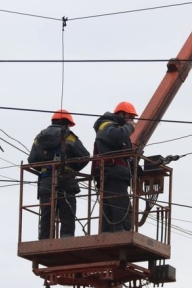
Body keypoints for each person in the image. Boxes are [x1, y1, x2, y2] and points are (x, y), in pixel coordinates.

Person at [28, 109, 90, 239]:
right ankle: (67, 238)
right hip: (66, 180)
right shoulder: (69, 136)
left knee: (46, 213)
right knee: (67, 213)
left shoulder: (39, 138)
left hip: (46, 181)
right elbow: (85, 156)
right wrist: (73, 168)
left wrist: (46, 168)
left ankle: (44, 240)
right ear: (66, 123)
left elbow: (32, 160)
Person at [92, 101, 138, 233]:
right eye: (130, 117)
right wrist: (130, 127)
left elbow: (125, 152)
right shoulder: (106, 125)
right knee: (120, 205)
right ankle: (120, 232)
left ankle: (110, 232)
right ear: (121, 114)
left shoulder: (118, 128)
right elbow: (115, 138)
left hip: (117, 173)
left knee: (115, 205)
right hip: (112, 172)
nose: (132, 120)